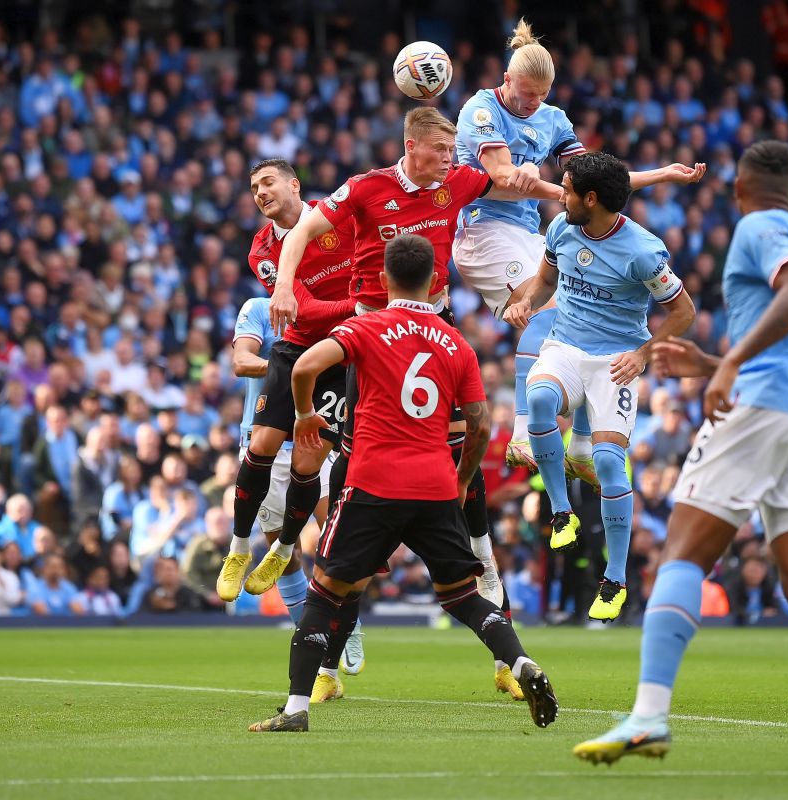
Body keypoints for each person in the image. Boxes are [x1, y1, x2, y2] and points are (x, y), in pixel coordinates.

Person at [574, 141, 788, 780]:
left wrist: (729, 364)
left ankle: (649, 713)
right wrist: (712, 361)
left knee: (681, 554)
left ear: (738, 190)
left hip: (764, 408)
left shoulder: (761, 227)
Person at [257, 107, 565, 698]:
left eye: (454, 148)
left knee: (455, 491)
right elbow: (299, 232)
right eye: (440, 149)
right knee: (352, 474)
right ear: (411, 146)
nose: (451, 159)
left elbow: (517, 181)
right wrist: (284, 287)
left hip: (427, 321)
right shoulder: (369, 187)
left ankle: (498, 654)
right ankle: (326, 650)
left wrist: (576, 193)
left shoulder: (459, 182)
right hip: (369, 336)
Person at [455, 18, 705, 475]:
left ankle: (584, 446)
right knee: (551, 313)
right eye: (526, 93)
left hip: (526, 234)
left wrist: (662, 174)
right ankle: (525, 434)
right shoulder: (481, 110)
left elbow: (598, 181)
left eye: (542, 95)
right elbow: (503, 176)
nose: (534, 103)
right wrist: (560, 191)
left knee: (582, 320)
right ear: (506, 80)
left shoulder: (554, 120)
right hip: (483, 230)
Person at [505, 152, 695, 620]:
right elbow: (546, 281)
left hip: (616, 361)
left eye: (567, 190)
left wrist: (644, 352)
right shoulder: (561, 230)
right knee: (540, 397)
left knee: (610, 464)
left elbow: (684, 312)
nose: (560, 195)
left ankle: (615, 580)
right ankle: (560, 512)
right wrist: (527, 300)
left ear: (591, 199)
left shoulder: (644, 251)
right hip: (566, 345)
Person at [216, 159, 353, 632]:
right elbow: (305, 308)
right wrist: (359, 306)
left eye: (268, 182)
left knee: (307, 462)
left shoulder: (340, 219)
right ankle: (238, 549)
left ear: (295, 184)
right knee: (259, 445)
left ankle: (285, 546)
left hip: (344, 357)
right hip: (298, 350)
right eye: (253, 187)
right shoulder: (262, 251)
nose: (260, 192)